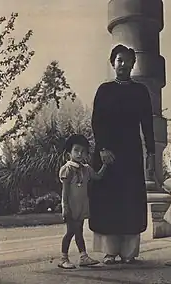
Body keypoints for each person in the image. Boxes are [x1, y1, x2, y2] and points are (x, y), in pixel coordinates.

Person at [88, 44, 155, 264]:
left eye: (127, 61)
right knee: (109, 201)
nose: (123, 64)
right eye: (119, 60)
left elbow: (147, 125)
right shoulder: (104, 90)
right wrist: (103, 149)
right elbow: (97, 122)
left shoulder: (140, 91)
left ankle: (129, 253)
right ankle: (110, 251)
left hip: (131, 154)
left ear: (133, 64)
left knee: (130, 200)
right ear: (113, 63)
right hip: (108, 155)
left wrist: (151, 154)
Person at [58, 134, 108, 269]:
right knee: (70, 232)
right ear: (69, 152)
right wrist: (65, 207)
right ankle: (64, 258)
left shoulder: (86, 169)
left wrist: (105, 165)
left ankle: (83, 257)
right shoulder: (67, 169)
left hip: (82, 206)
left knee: (79, 231)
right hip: (71, 206)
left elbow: (98, 177)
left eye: (83, 151)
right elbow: (65, 191)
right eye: (76, 150)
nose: (80, 154)